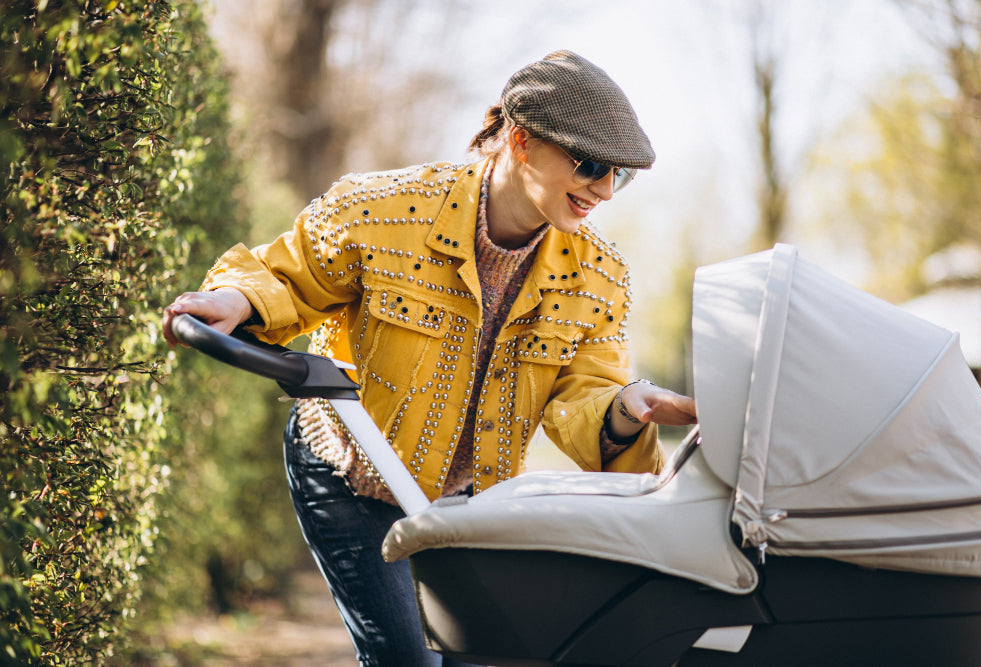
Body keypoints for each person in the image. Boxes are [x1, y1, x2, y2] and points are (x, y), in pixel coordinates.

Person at [162, 50, 697, 667]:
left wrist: (625, 409)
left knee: (485, 654)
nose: (603, 191)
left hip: (463, 500)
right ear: (521, 141)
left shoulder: (598, 278)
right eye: (591, 165)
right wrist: (236, 298)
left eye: (620, 176)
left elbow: (586, 396)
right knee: (407, 661)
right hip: (349, 474)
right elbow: (291, 274)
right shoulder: (384, 210)